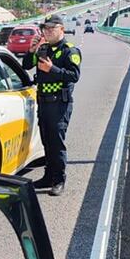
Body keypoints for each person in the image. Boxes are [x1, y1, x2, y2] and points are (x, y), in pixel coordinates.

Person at [22, 14, 81, 197]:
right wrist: (32, 50)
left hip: (59, 104)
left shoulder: (69, 51)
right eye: (45, 29)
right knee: (46, 141)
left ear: (61, 29)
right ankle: (48, 176)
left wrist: (52, 69)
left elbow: (74, 75)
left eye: (51, 29)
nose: (47, 32)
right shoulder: (44, 49)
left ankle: (59, 180)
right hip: (43, 103)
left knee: (57, 143)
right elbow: (26, 65)